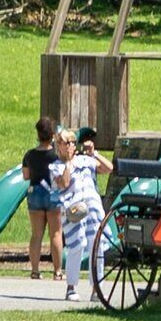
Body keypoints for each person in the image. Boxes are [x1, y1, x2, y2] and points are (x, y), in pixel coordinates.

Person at [57, 126, 108, 300]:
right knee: (75, 245)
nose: (71, 145)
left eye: (73, 142)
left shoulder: (86, 160)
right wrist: (69, 163)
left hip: (93, 209)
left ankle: (97, 289)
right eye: (66, 143)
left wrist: (94, 153)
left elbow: (109, 168)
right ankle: (71, 287)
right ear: (60, 146)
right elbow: (63, 184)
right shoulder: (56, 166)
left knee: (97, 246)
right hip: (74, 211)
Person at [20, 115, 62, 279]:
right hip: (52, 192)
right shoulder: (56, 155)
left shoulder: (29, 155)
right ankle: (58, 271)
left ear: (38, 134)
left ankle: (35, 270)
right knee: (56, 234)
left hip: (35, 192)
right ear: (53, 135)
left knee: (36, 234)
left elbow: (25, 175)